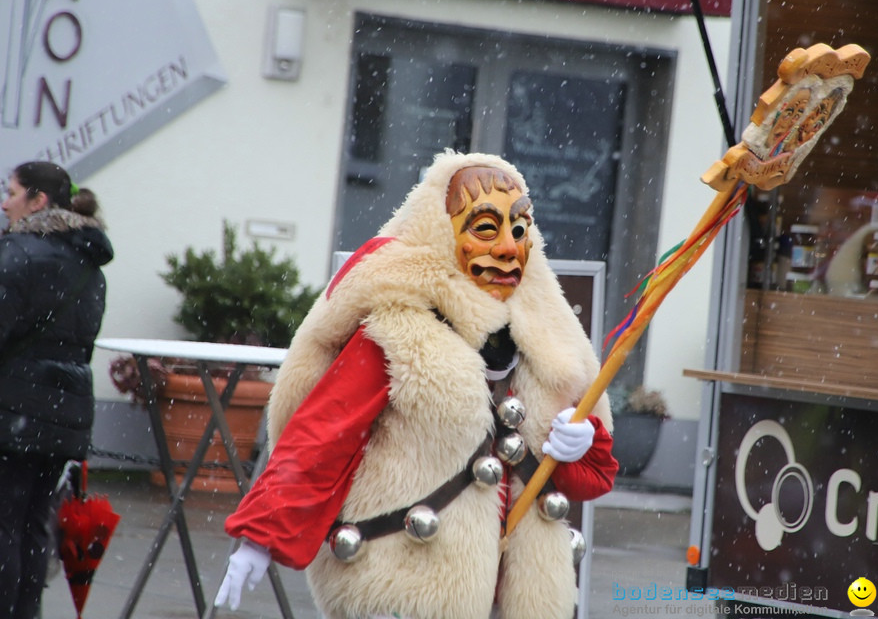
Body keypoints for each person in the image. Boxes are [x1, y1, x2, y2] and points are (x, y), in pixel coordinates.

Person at [215, 151, 618, 619]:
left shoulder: (543, 337)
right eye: (486, 228)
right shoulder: (396, 327)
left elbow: (587, 479)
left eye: (520, 228)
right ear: (443, 234)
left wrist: (582, 440)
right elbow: (323, 435)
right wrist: (262, 536)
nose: (509, 247)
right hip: (407, 579)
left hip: (514, 591)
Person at [0, 161, 113, 619]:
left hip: (11, 411)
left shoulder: (17, 254)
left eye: (11, 192)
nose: (5, 202)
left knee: (5, 524)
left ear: (38, 201)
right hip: (63, 414)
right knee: (33, 525)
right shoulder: (90, 266)